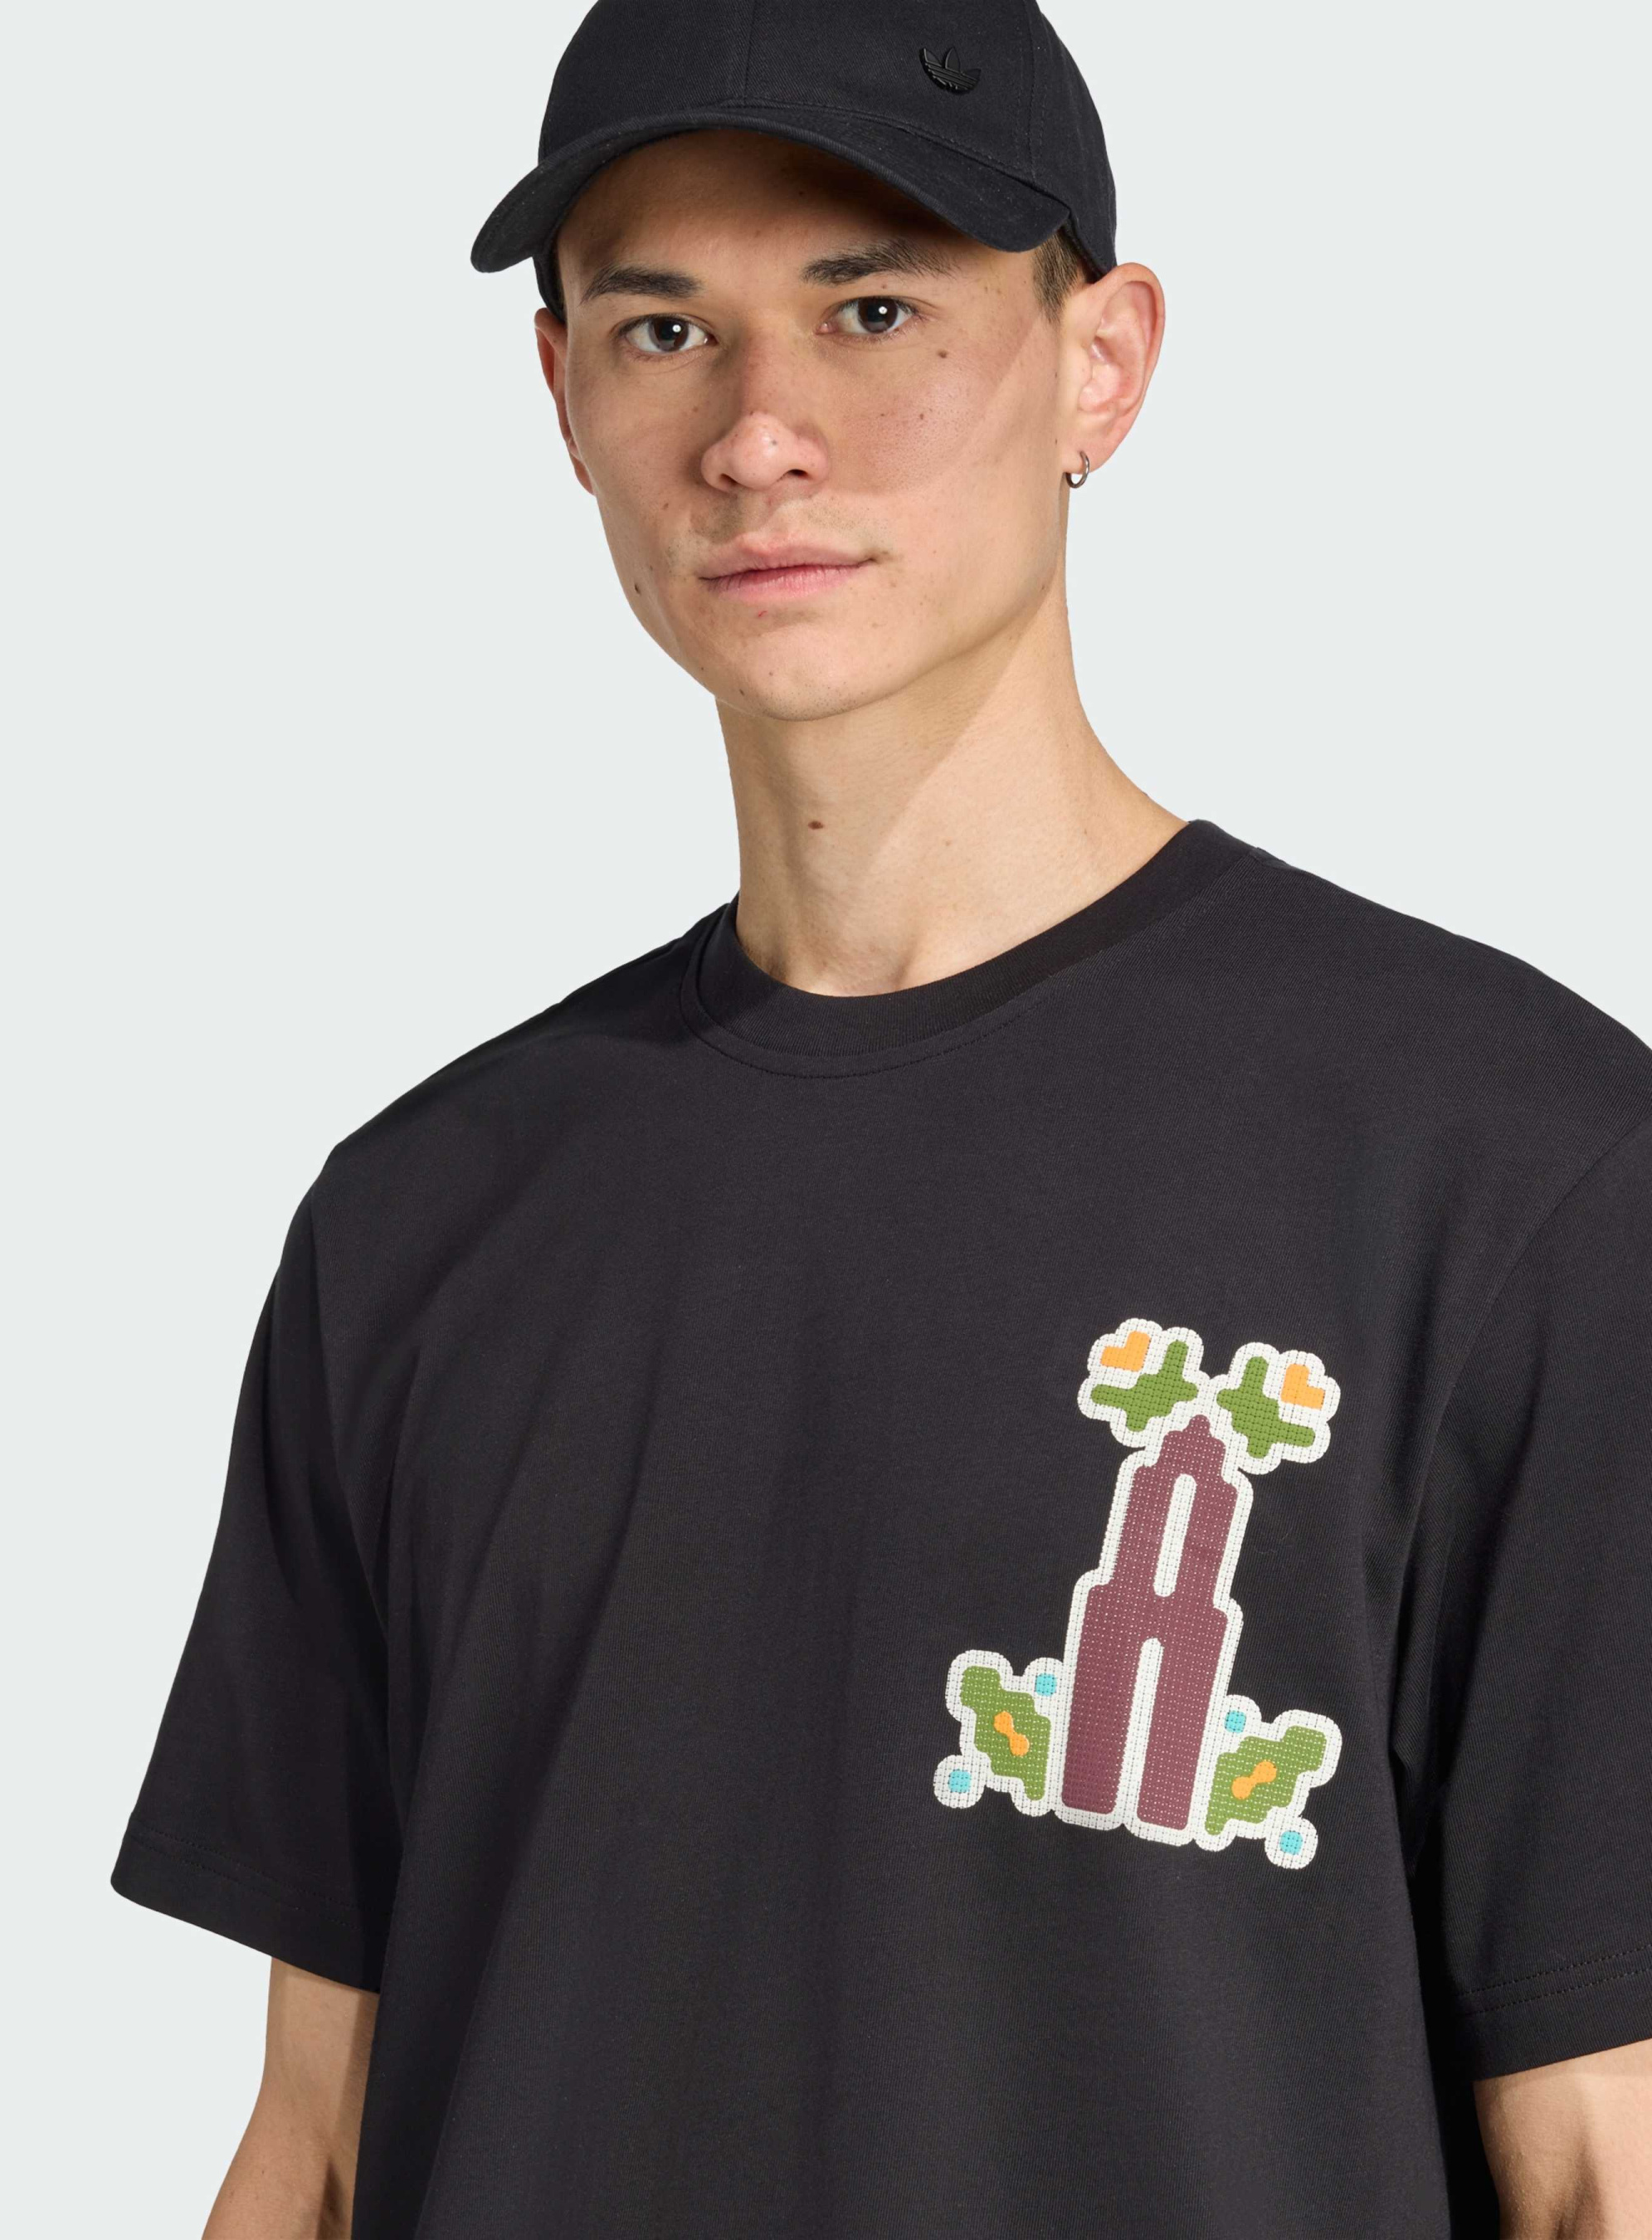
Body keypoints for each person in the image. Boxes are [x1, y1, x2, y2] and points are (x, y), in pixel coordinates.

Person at [110, 1, 1652, 2233]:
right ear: (560, 398)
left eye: (873, 310)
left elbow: (1608, 2160)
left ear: (1102, 362)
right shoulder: (422, 1221)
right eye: (663, 330)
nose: (759, 436)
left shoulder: (1511, 1170)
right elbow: (316, 2148)